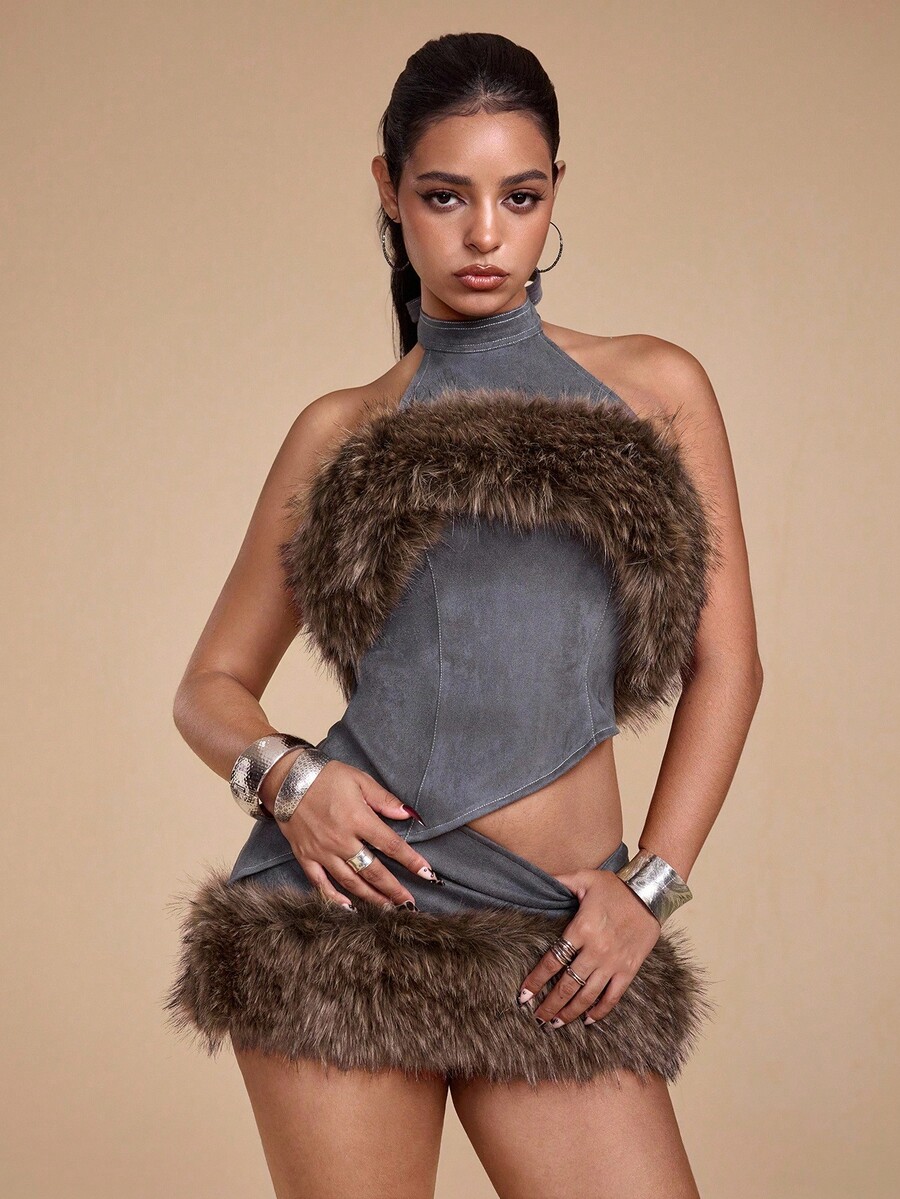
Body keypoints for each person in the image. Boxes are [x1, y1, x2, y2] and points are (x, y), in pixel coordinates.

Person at [164, 31, 763, 1199]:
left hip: (558, 931)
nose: (485, 235)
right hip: (342, 922)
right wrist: (290, 779)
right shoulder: (342, 430)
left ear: (554, 194)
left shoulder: (655, 388)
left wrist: (650, 889)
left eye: (519, 196)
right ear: (389, 192)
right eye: (445, 196)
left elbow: (728, 667)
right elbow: (208, 688)